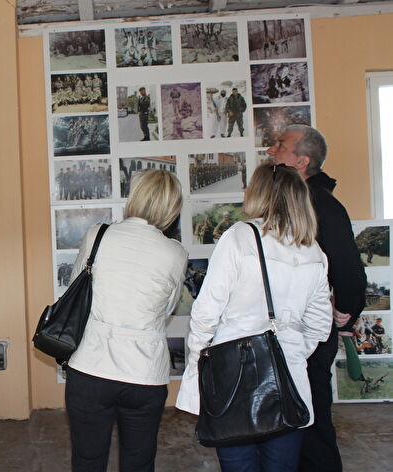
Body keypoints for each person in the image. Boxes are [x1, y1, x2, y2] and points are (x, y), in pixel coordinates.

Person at [176, 163, 332, 472]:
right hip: (289, 377)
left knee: (239, 465)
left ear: (263, 193)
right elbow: (319, 325)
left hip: (234, 373)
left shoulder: (239, 237)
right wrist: (290, 351)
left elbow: (207, 310)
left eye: (250, 186)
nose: (245, 191)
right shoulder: (312, 250)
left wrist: (200, 360)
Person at [65, 169, 187, 472]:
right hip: (145, 372)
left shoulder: (99, 234)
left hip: (92, 365)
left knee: (87, 459)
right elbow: (168, 308)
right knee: (139, 460)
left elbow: (75, 289)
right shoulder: (175, 252)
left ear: (135, 197)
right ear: (172, 207)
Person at [266, 125, 367, 471]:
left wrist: (346, 312)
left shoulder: (321, 205)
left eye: (280, 145)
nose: (270, 150)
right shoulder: (299, 202)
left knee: (311, 424)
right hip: (291, 332)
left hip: (308, 334)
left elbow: (351, 271)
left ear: (301, 162)